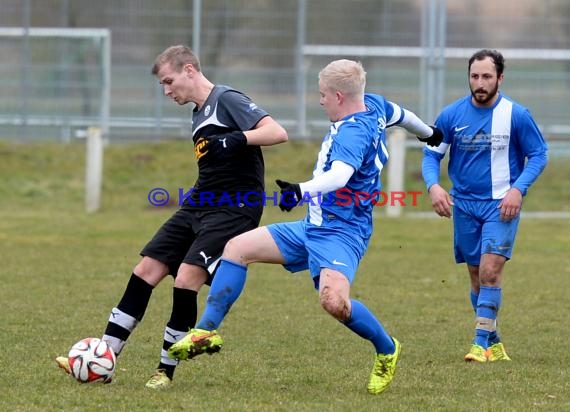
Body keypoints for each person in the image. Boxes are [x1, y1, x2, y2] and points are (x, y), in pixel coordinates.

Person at [166, 59, 443, 394]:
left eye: (323, 95)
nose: (320, 100)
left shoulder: (353, 133)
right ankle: (207, 330)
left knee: (333, 302)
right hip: (312, 224)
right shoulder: (374, 104)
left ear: (339, 96)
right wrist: (429, 134)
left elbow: (340, 175)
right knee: (236, 248)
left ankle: (387, 348)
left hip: (342, 232)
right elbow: (402, 114)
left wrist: (300, 190)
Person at [55, 45, 288, 388]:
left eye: (169, 80)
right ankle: (103, 358)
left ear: (190, 70)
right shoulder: (198, 111)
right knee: (145, 269)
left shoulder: (226, 99)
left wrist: (235, 139)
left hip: (234, 209)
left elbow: (277, 132)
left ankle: (164, 371)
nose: (166, 90)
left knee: (186, 278)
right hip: (198, 204)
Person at [421, 49, 548, 363]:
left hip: (501, 206)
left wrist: (518, 190)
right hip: (464, 207)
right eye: (475, 76)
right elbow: (431, 155)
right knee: (477, 275)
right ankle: (495, 342)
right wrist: (433, 185)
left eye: (487, 76)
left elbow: (539, 154)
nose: (480, 82)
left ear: (500, 78)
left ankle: (479, 345)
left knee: (491, 272)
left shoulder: (517, 115)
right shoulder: (451, 116)